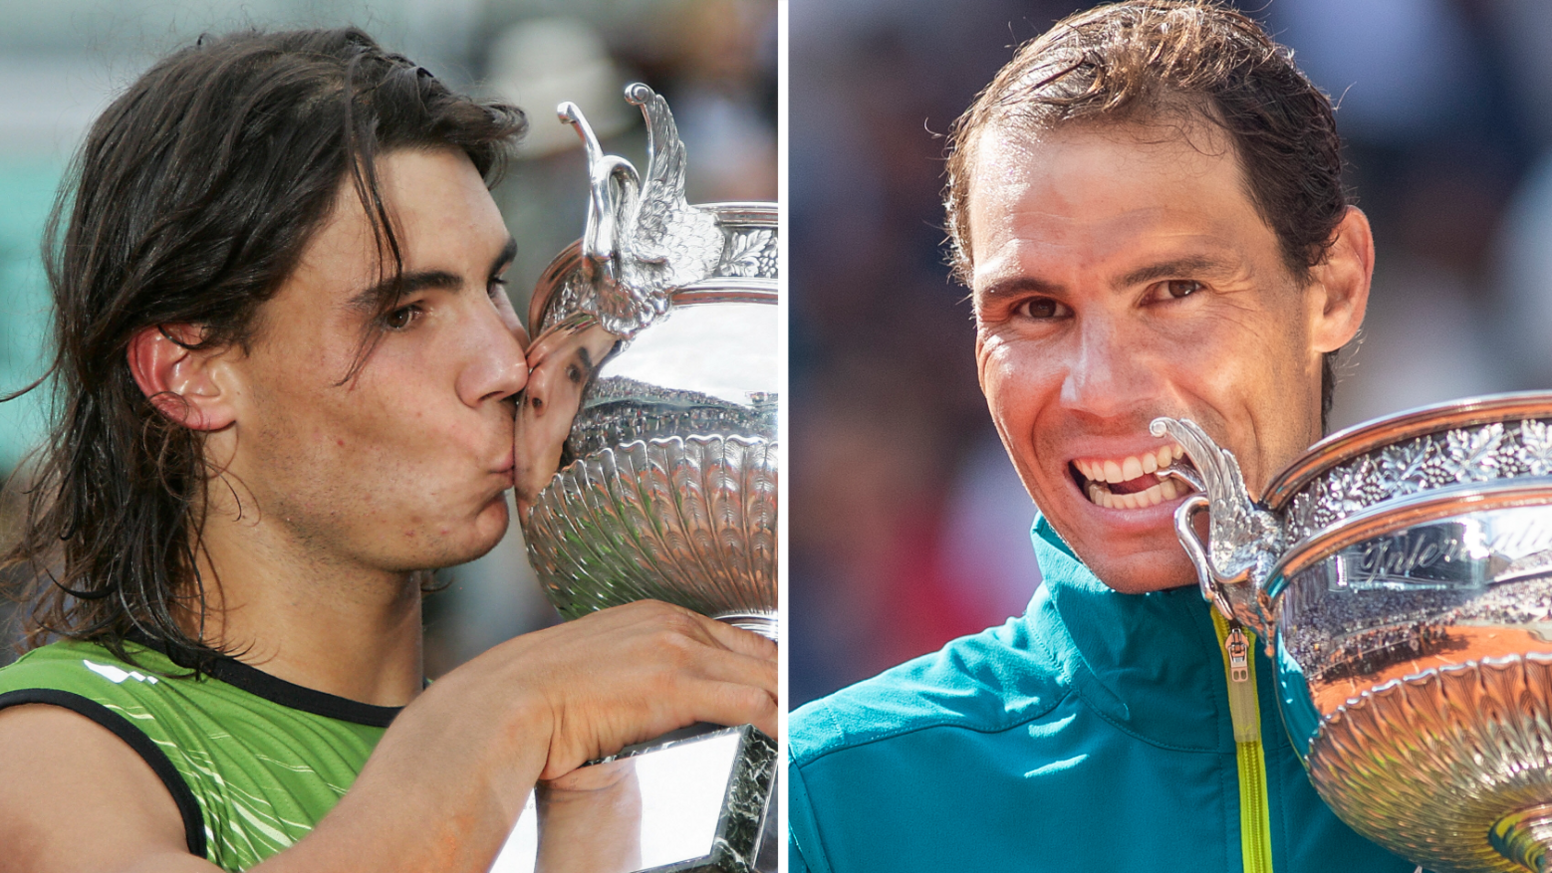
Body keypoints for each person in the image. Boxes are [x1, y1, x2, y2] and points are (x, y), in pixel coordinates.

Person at [0, 28, 777, 872]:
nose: (506, 361)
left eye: (492, 286)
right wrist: (500, 709)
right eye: (403, 312)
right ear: (190, 373)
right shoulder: (48, 752)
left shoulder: (572, 760)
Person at [787, 3, 1417, 871]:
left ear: (1335, 285)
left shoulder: (1517, 722)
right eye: (1037, 310)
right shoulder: (829, 801)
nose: (1100, 390)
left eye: (1174, 290)